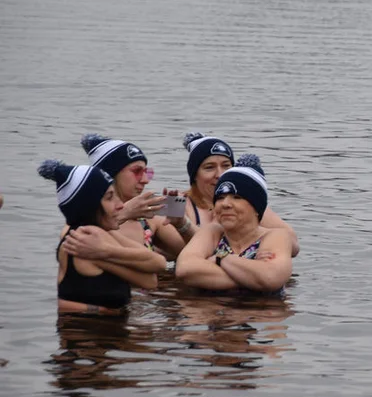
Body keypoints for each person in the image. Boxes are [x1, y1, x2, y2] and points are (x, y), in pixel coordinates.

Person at [38, 159, 166, 315]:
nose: (120, 205)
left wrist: (105, 252)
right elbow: (151, 278)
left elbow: (157, 266)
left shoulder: (98, 236)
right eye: (109, 198)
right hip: (97, 334)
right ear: (90, 205)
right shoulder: (88, 236)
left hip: (95, 331)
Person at [175, 155, 294, 293]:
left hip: (260, 312)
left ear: (256, 207)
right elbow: (184, 269)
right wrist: (251, 277)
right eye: (220, 198)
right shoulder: (213, 232)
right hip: (214, 312)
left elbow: (270, 278)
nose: (225, 204)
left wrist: (220, 259)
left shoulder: (276, 236)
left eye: (236, 197)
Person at [181, 132, 300, 257]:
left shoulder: (249, 205)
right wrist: (182, 224)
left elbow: (293, 246)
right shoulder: (181, 203)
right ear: (194, 175)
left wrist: (266, 246)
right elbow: (176, 250)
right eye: (209, 167)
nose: (220, 174)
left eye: (226, 166)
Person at [81, 133, 190, 258]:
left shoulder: (148, 220)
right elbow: (76, 243)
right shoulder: (83, 217)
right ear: (109, 175)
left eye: (147, 172)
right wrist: (124, 213)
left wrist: (182, 224)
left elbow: (198, 256)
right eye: (137, 171)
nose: (145, 180)